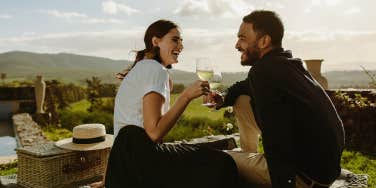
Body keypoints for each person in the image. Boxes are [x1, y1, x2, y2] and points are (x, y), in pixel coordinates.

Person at [208, 10, 345, 188]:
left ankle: (247, 162)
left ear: (264, 41)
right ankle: (248, 154)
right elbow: (243, 87)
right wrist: (222, 98)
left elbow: (276, 136)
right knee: (241, 99)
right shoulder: (286, 64)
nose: (237, 45)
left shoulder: (264, 72)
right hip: (324, 170)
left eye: (242, 38)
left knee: (216, 158)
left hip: (302, 177)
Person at [105, 19, 239, 188]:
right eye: (175, 40)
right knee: (223, 163)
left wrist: (109, 175)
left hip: (125, 165)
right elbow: (154, 133)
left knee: (207, 152)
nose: (181, 46)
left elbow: (123, 132)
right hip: (141, 162)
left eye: (181, 41)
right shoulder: (155, 70)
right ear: (156, 41)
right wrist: (186, 97)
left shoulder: (142, 69)